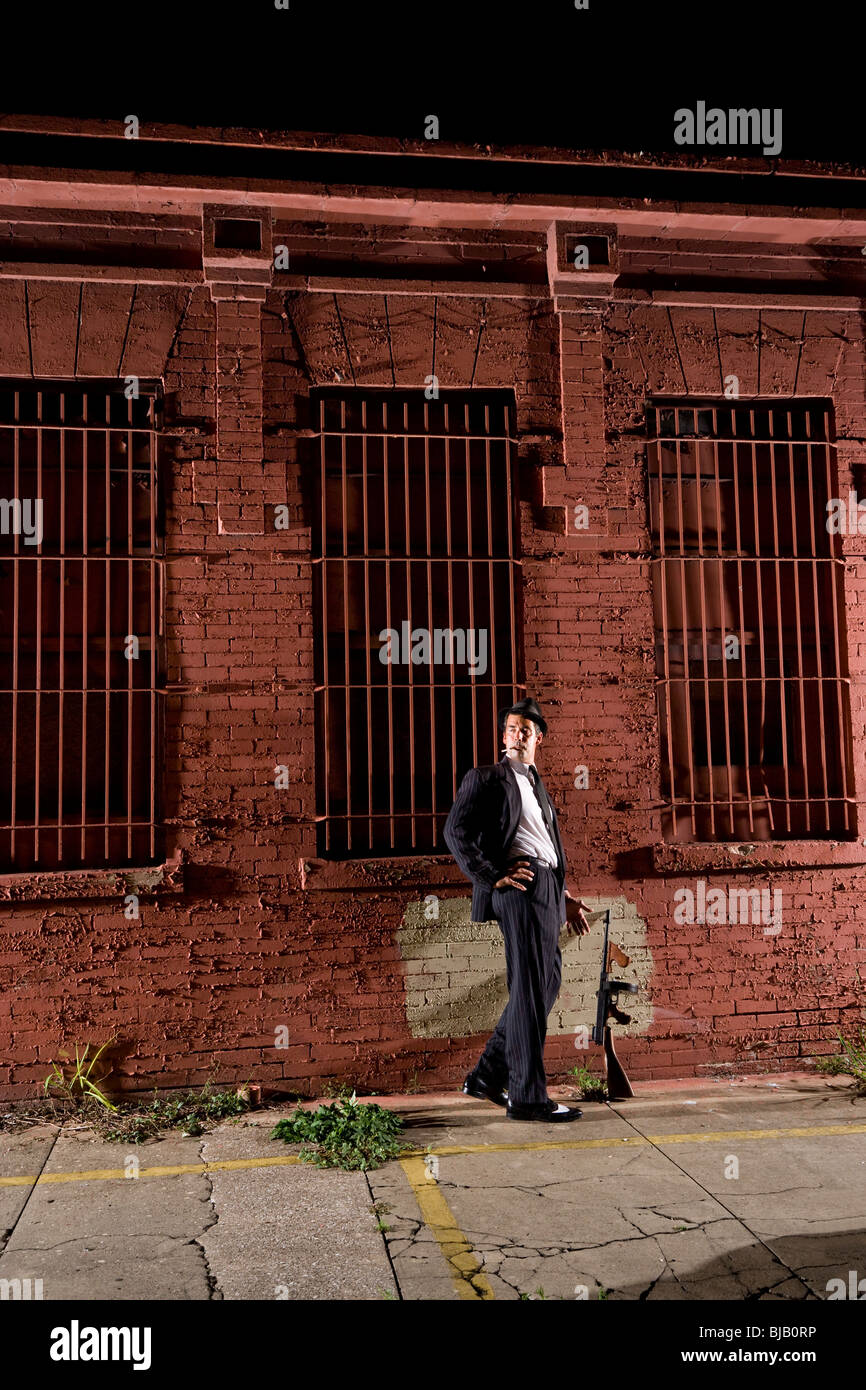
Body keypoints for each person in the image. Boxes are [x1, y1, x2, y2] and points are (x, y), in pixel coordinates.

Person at [443, 697, 592, 1122]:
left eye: (525, 730)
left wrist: (564, 898)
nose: (516, 735)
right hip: (520, 889)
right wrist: (491, 876)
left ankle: (487, 1075)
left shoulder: (537, 786)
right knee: (528, 988)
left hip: (546, 889)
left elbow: (544, 847)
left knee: (545, 985)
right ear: (504, 736)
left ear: (538, 738)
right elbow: (456, 831)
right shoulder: (487, 777)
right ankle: (528, 1098)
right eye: (511, 729)